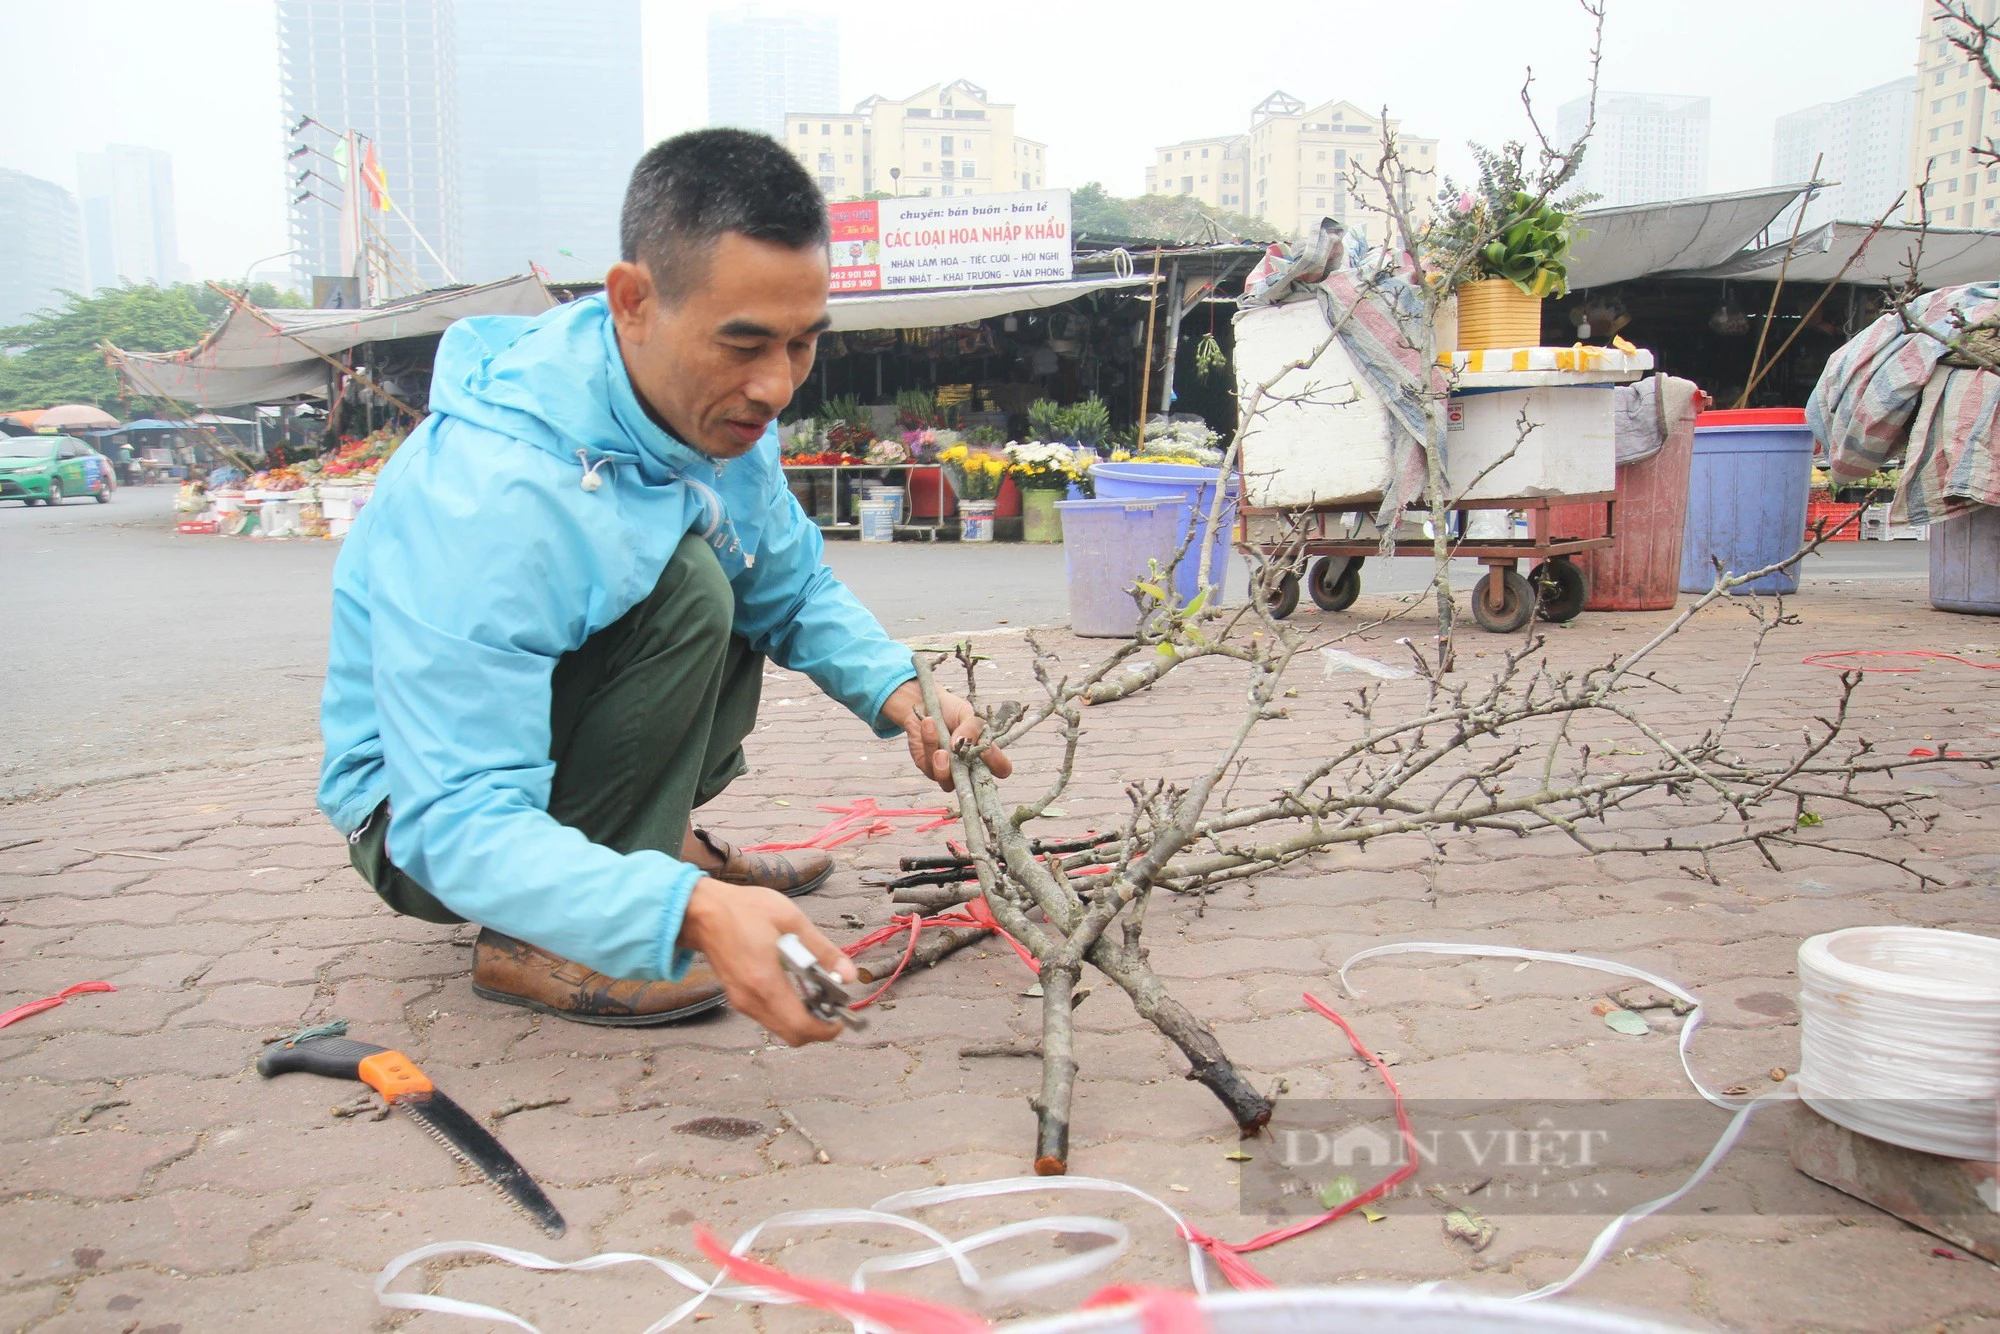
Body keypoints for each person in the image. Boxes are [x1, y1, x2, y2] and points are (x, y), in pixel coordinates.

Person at [317, 130, 1009, 1047]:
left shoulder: (714, 414)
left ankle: (636, 848)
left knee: (728, 574)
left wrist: (900, 691)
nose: (776, 389)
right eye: (745, 344)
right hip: (419, 822)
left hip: (513, 778)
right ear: (633, 302)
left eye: (804, 345)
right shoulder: (490, 496)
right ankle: (544, 928)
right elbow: (453, 820)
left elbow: (791, 587)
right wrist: (682, 913)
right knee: (688, 582)